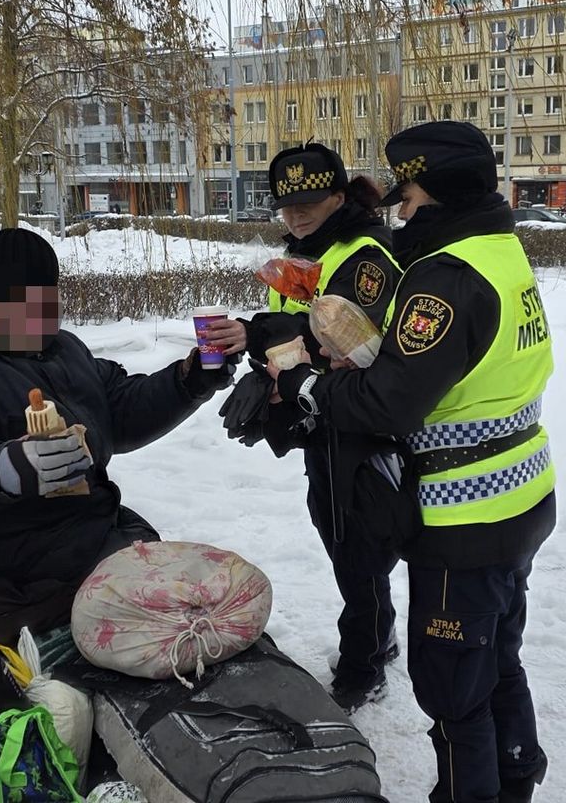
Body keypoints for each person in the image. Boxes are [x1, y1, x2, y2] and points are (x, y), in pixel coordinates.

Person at [269, 122, 555, 803]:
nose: (400, 208)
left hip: (465, 518)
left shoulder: (446, 279)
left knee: (454, 690)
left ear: (443, 192)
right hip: (520, 496)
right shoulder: (498, 251)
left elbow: (389, 403)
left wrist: (308, 387)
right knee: (495, 658)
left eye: (412, 193)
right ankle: (516, 775)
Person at [0, 227, 235, 647]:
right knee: (196, 620)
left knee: (217, 599)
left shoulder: (62, 349)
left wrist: (186, 382)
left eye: (45, 305)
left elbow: (117, 411)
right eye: (17, 308)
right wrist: (4, 469)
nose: (35, 321)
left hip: (85, 538)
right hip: (6, 562)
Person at [205, 141, 404, 711]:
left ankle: (363, 666)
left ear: (340, 196)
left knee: (355, 541)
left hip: (360, 418)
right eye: (287, 205)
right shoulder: (300, 253)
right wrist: (266, 361)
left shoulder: (364, 252)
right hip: (322, 413)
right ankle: (380, 638)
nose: (296, 214)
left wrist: (258, 332)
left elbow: (335, 331)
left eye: (311, 201)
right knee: (338, 529)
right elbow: (291, 336)